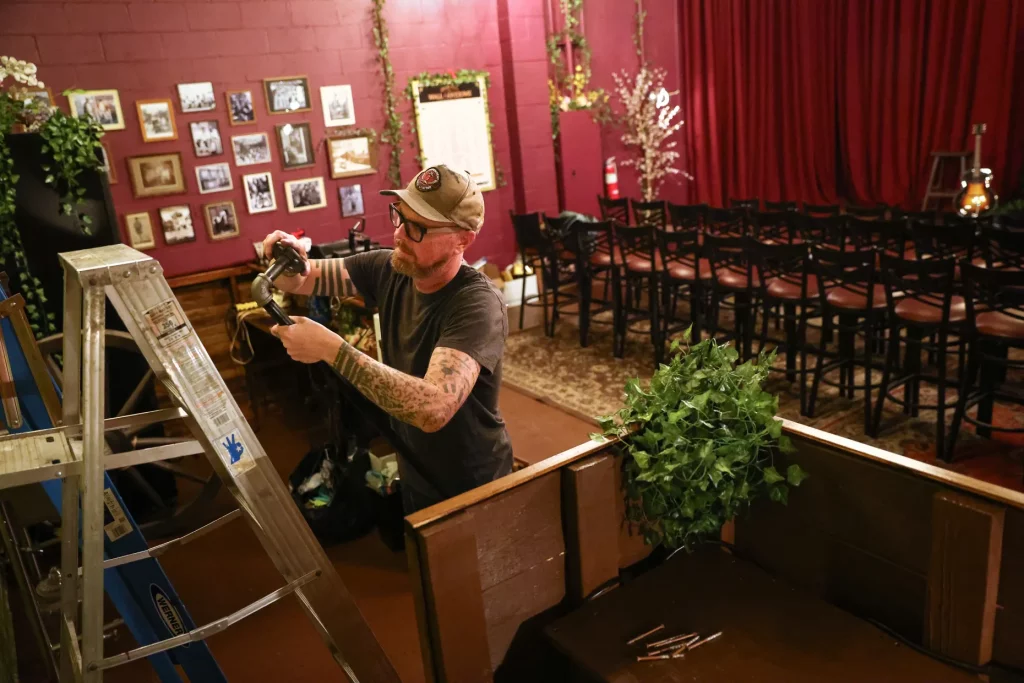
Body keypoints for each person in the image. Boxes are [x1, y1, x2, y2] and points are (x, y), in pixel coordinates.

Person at [263, 164, 513, 513]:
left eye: (418, 228)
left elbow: (433, 409)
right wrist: (285, 258)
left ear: (463, 239)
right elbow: (302, 279)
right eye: (400, 216)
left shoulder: (476, 304)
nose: (399, 235)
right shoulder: (389, 268)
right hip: (416, 470)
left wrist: (331, 349)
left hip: (473, 482)